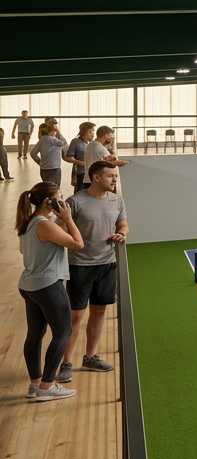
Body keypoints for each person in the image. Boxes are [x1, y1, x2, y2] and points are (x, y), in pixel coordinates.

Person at [56, 160, 128, 382]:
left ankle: (90, 357)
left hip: (107, 265)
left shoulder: (116, 200)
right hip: (80, 266)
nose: (115, 179)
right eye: (110, 176)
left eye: (115, 175)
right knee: (75, 316)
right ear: (96, 177)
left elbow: (123, 225)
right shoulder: (75, 202)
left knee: (99, 311)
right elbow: (59, 231)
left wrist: (121, 235)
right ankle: (66, 363)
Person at [15, 181, 84, 402]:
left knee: (35, 334)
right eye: (60, 197)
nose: (63, 201)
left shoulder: (29, 221)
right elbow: (78, 244)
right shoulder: (45, 225)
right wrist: (68, 219)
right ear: (49, 201)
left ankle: (35, 384)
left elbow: (23, 249)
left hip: (29, 285)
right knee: (63, 332)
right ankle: (47, 386)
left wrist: (58, 222)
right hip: (48, 285)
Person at [66, 122, 94, 191]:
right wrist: (81, 163)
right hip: (81, 173)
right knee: (80, 192)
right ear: (84, 132)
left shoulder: (93, 143)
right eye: (90, 132)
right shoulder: (76, 142)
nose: (92, 134)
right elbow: (68, 157)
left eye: (93, 131)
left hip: (92, 172)